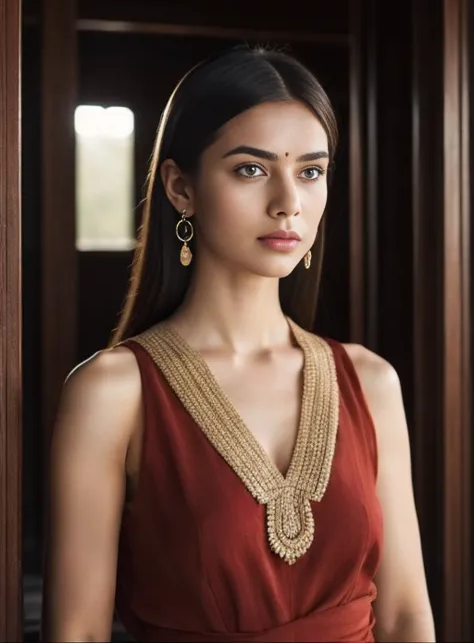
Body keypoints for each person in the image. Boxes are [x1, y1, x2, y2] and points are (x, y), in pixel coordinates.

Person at [41, 46, 435, 642]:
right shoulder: (113, 392)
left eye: (311, 170)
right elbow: (78, 633)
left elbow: (406, 616)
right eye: (251, 169)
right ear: (181, 188)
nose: (289, 203)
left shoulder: (371, 382)